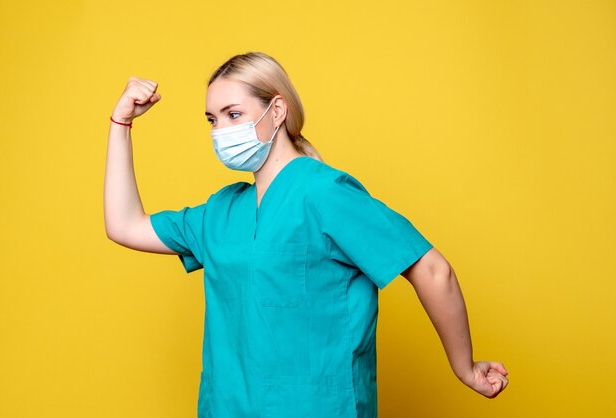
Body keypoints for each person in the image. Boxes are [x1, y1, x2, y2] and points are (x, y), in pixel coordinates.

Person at [104, 51, 509, 418]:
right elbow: (124, 225)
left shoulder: (325, 194)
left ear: (277, 110)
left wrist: (466, 367)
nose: (219, 131)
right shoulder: (223, 211)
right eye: (212, 120)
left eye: (233, 115)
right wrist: (121, 123)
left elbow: (433, 270)